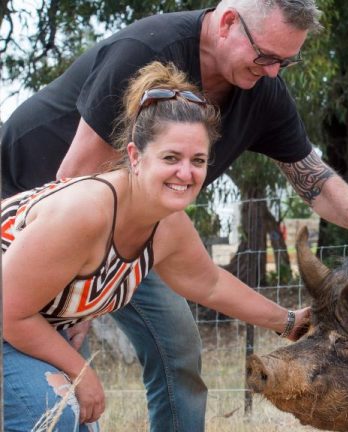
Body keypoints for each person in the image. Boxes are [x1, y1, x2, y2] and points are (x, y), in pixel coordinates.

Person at [0, 0, 348, 430]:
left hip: (131, 221)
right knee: (58, 398)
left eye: (285, 63)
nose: (271, 71)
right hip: (40, 225)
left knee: (176, 343)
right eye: (266, 56)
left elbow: (214, 272)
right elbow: (73, 176)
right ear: (228, 22)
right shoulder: (146, 50)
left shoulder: (255, 99)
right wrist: (77, 321)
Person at [2, 61, 313, 431]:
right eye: (171, 158)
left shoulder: (166, 225)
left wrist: (290, 322)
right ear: (135, 156)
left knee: (79, 421)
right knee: (57, 414)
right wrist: (80, 374)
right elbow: (9, 312)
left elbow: (209, 283)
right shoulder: (85, 212)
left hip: (26, 322)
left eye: (198, 160)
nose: (186, 173)